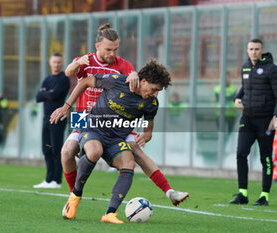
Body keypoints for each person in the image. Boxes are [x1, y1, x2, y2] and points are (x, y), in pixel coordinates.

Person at [62, 23, 189, 208]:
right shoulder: (86, 60)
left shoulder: (122, 65)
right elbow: (68, 73)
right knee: (67, 152)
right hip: (85, 115)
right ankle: (73, 194)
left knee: (135, 150)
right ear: (98, 46)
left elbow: (136, 77)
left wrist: (133, 75)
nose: (112, 54)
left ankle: (169, 191)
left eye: (115, 49)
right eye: (108, 49)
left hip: (115, 119)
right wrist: (75, 64)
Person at [51, 60, 173, 224]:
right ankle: (75, 195)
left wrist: (146, 136)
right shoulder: (110, 76)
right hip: (90, 125)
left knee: (129, 163)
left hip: (116, 138)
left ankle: (110, 213)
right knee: (87, 151)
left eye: (158, 91)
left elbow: (148, 129)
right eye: (154, 89)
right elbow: (84, 80)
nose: (155, 94)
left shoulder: (150, 102)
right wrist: (67, 105)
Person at [230, 38, 277, 206]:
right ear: (247, 50)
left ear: (262, 50)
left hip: (265, 121)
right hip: (247, 119)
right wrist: (237, 98)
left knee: (265, 157)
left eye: (257, 49)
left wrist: (275, 117)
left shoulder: (272, 69)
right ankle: (242, 193)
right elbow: (245, 87)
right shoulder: (245, 67)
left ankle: (264, 195)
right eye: (251, 49)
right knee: (241, 153)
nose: (254, 52)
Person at [33, 52, 70, 189]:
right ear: (50, 62)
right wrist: (46, 93)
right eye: (54, 62)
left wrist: (45, 93)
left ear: (62, 63)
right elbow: (38, 97)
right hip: (46, 119)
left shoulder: (64, 78)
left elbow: (54, 95)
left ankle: (57, 180)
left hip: (58, 119)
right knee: (46, 149)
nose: (56, 64)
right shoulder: (47, 79)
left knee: (56, 149)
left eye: (59, 62)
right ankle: (48, 179)